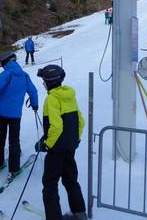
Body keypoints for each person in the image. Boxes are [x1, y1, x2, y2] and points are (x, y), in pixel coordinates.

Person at [35, 65, 87, 220]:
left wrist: (47, 144)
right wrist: (74, 140)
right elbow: (81, 121)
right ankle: (80, 214)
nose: (43, 84)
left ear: (49, 82)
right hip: (69, 148)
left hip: (56, 149)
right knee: (71, 180)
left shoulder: (51, 99)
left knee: (50, 185)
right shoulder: (70, 96)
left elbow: (56, 127)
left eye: (44, 81)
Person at [0, 51, 38, 178]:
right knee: (14, 141)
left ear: (6, 62)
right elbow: (33, 91)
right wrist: (35, 104)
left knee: (0, 139)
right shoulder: (24, 75)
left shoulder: (6, 74)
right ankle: (14, 168)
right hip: (15, 115)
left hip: (0, 114)